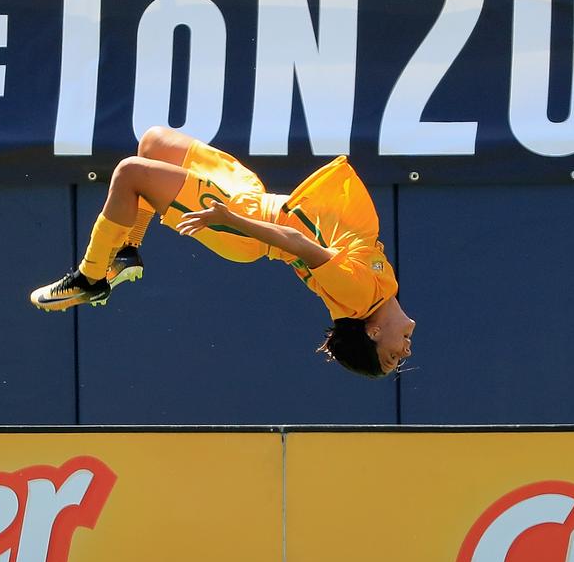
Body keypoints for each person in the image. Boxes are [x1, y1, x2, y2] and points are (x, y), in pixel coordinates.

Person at [30, 127, 415, 377]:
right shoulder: (382, 289)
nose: (405, 352)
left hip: (244, 223)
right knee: (153, 144)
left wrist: (230, 219)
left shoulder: (360, 298)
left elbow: (296, 242)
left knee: (130, 173)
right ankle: (128, 250)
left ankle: (90, 277)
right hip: (251, 200)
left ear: (374, 331)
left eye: (392, 356)